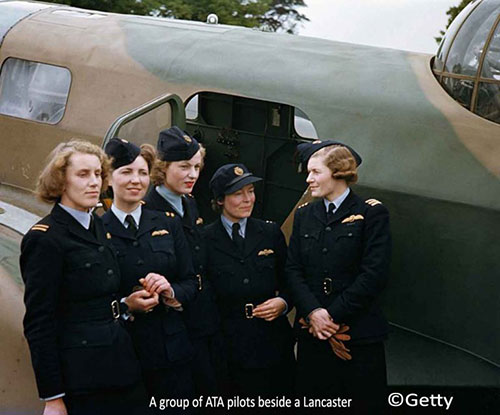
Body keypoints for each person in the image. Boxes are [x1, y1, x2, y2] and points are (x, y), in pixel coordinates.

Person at [20, 140, 153, 415]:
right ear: (60, 182)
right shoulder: (46, 239)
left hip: (120, 365)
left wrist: (126, 304)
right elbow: (39, 322)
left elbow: (93, 296)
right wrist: (53, 397)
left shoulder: (96, 224)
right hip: (83, 378)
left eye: (97, 174)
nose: (94, 182)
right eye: (82, 175)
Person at [286, 140, 391, 413]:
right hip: (313, 334)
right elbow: (293, 269)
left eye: (315, 172)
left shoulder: (371, 213)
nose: (308, 179)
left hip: (357, 336)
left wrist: (330, 316)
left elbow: (374, 274)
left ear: (338, 172)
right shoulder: (305, 214)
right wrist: (312, 313)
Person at [102, 138, 198, 409]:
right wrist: (125, 305)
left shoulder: (168, 223)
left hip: (172, 355)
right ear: (108, 178)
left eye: (142, 173)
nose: (136, 180)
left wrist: (171, 291)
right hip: (124, 356)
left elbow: (190, 281)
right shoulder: (97, 231)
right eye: (126, 172)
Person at [143, 126, 223, 396]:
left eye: (197, 167)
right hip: (172, 321)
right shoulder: (147, 209)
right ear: (163, 168)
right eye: (184, 166)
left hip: (201, 314)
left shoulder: (188, 203)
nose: (193, 175)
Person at [204, 163, 295, 397]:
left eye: (251, 191)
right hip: (228, 343)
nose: (248, 199)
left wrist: (283, 303)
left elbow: (291, 280)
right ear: (220, 200)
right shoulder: (204, 239)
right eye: (238, 194)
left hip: (272, 340)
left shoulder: (270, 233)